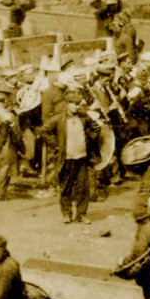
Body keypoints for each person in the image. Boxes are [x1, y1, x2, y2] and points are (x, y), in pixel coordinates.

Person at [57, 96, 93, 224]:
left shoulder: (83, 117)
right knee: (66, 187)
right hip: (67, 158)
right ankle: (66, 214)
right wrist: (57, 145)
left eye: (78, 104)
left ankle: (81, 214)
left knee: (83, 187)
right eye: (74, 104)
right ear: (67, 104)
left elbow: (95, 128)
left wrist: (89, 140)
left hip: (81, 157)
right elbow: (44, 131)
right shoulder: (59, 119)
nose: (76, 106)